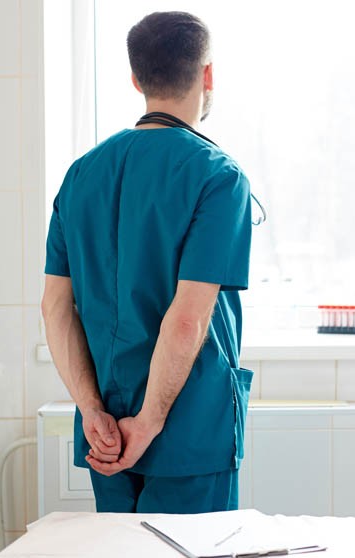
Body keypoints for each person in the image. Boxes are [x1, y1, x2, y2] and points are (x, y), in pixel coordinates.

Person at [41, 11, 253, 514]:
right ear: (207, 76)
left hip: (107, 434)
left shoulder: (81, 174)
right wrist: (152, 422)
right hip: (187, 431)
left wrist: (93, 410)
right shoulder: (217, 176)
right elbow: (187, 319)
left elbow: (55, 309)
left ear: (136, 79)